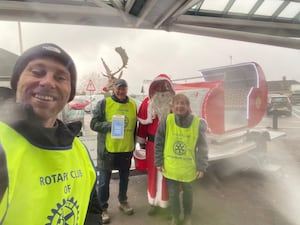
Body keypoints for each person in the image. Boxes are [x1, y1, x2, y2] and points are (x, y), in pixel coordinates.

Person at [0, 43, 102, 225]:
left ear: (69, 92)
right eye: (37, 72)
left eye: (61, 77)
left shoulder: (79, 150)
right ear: (16, 82)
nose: (47, 82)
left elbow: (91, 209)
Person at [154, 93, 209, 225]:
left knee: (188, 194)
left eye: (183, 103)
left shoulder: (197, 123)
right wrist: (158, 161)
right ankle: (175, 216)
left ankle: (188, 216)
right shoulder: (166, 121)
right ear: (172, 106)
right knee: (173, 195)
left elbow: (202, 147)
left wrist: (201, 166)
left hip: (188, 168)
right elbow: (159, 142)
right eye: (177, 103)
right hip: (171, 167)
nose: (180, 106)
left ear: (188, 106)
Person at [90, 78, 137, 224]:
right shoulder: (104, 103)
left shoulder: (132, 104)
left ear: (127, 89)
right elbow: (93, 124)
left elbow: (136, 125)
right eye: (118, 88)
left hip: (126, 149)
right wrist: (110, 125)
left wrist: (136, 144)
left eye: (124, 88)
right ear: (113, 89)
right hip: (107, 150)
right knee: (104, 181)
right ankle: (103, 208)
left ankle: (123, 202)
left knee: (124, 178)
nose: (121, 91)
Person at [137, 74, 175, 215]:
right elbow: (142, 127)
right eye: (158, 88)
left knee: (170, 175)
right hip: (152, 146)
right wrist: (141, 143)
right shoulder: (148, 104)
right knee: (153, 174)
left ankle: (169, 204)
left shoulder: (175, 103)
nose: (162, 91)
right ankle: (153, 202)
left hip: (170, 145)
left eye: (165, 87)